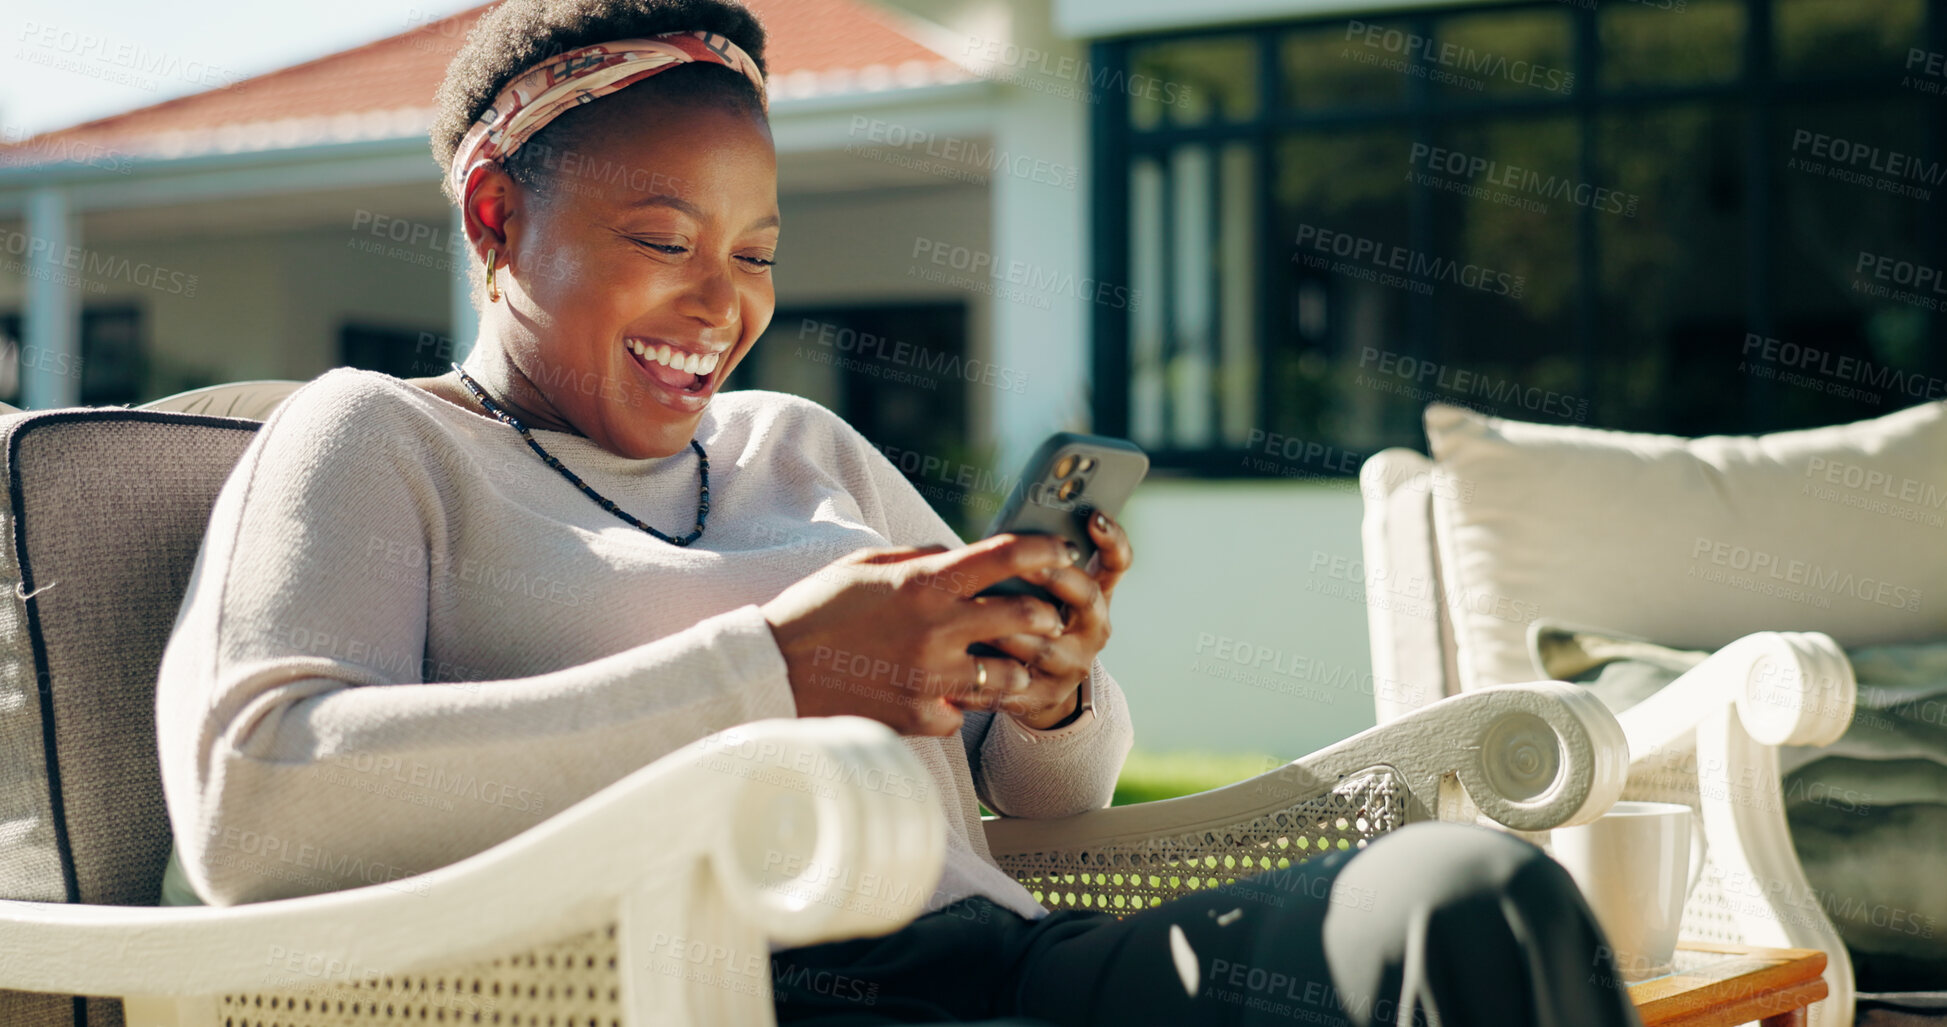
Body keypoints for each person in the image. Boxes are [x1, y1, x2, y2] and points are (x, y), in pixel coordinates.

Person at [154, 2, 1644, 1024]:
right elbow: (254, 804)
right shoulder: (371, 439)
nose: (718, 303)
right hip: (716, 993)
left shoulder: (796, 444)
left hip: (1004, 958)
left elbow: (1041, 810)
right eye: (660, 239)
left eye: (755, 251)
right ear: (495, 220)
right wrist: (778, 672)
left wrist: (1044, 691)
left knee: (1469, 905)